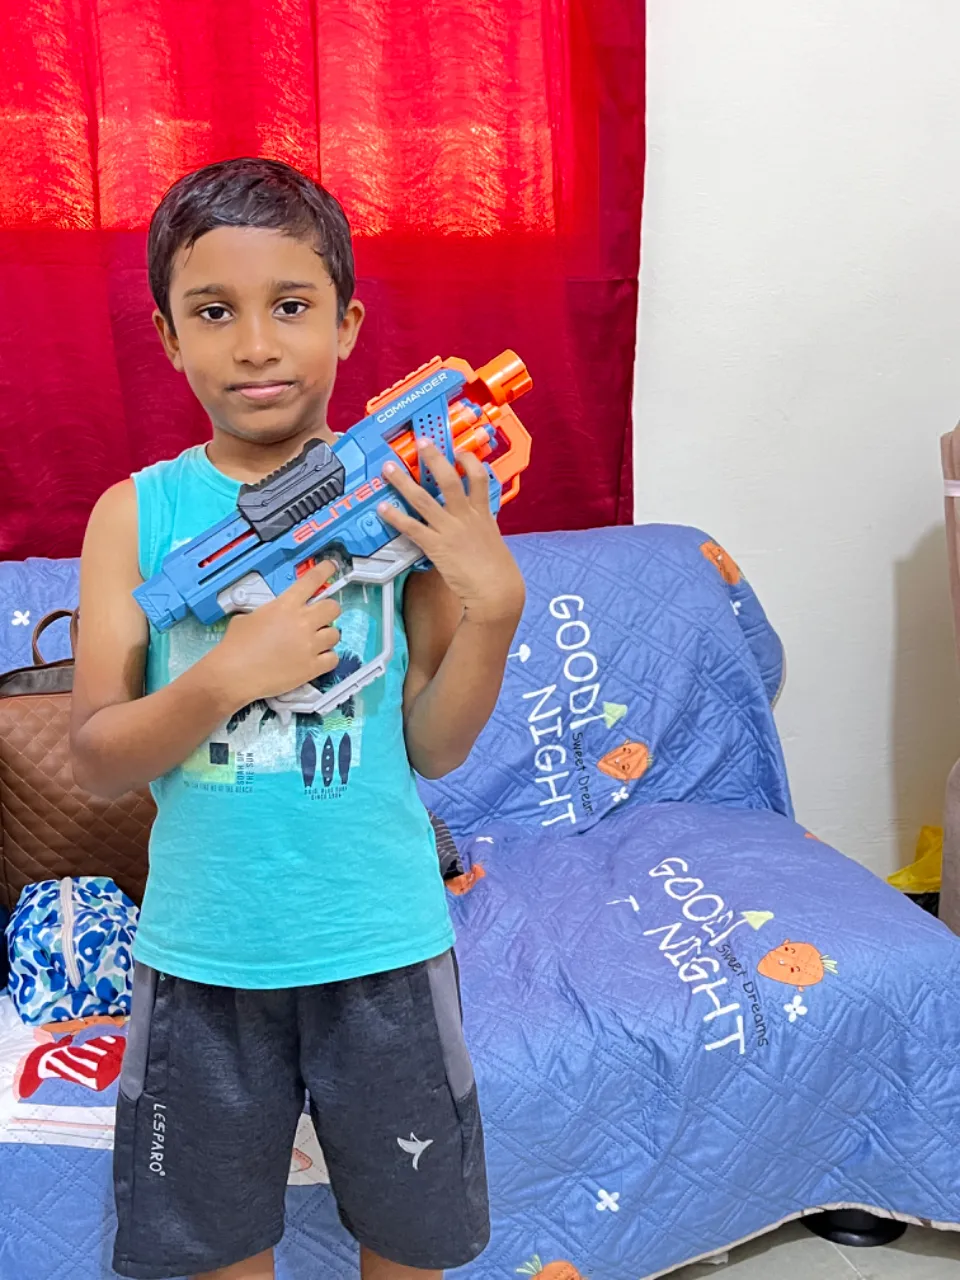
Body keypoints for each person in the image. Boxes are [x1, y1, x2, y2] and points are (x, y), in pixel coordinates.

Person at [70, 157, 526, 1280]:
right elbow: (93, 760)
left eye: (292, 306)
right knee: (218, 1244)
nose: (258, 346)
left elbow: (431, 746)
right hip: (206, 951)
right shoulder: (139, 514)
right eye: (214, 313)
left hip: (381, 937)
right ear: (171, 339)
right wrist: (227, 675)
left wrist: (494, 605)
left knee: (412, 1238)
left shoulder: (407, 499)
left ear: (348, 322)